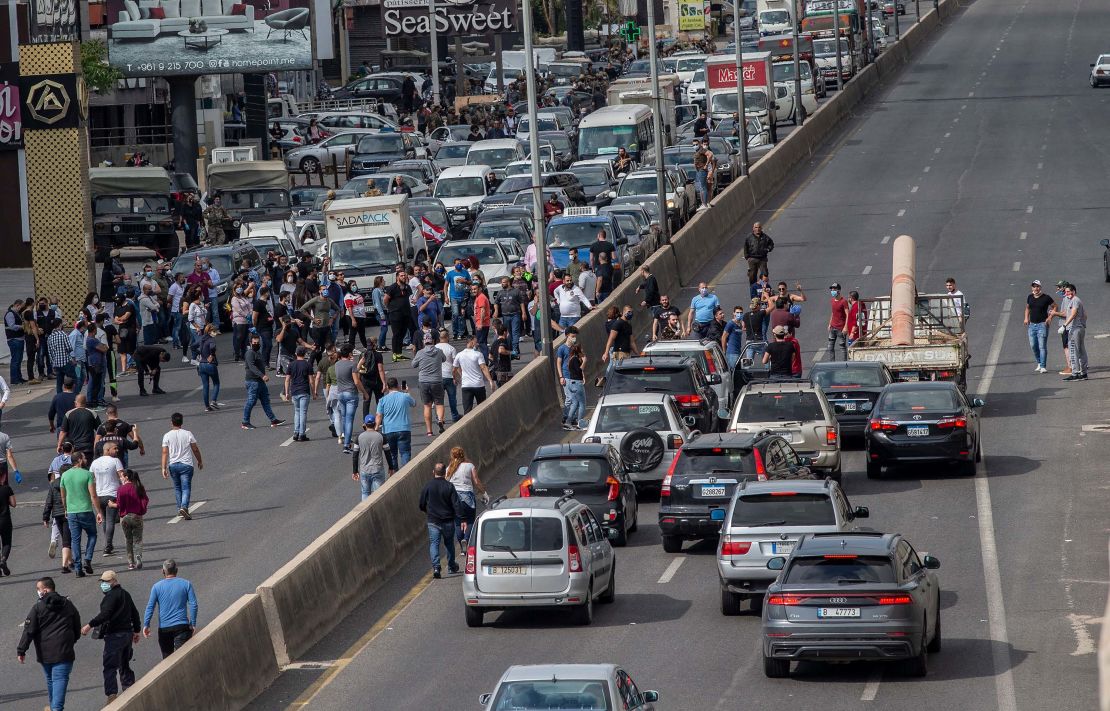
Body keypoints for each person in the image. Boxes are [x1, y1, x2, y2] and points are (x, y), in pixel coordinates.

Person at [17, 576, 82, 711]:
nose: (38, 592)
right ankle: (55, 708)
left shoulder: (38, 608)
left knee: (52, 680)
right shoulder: (68, 604)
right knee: (59, 679)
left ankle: (55, 708)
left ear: (45, 590)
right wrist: (72, 641)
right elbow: (77, 625)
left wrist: (21, 650)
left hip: (45, 654)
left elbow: (29, 630)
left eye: (38, 589)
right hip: (64, 652)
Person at [82, 570, 141, 703]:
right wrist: (136, 631)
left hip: (115, 636)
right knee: (124, 664)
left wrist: (89, 625)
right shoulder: (125, 594)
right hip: (127, 635)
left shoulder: (111, 597)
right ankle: (130, 689)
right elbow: (135, 613)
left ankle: (112, 696)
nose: (103, 584)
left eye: (106, 582)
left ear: (114, 581)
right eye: (102, 581)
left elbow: (105, 615)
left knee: (109, 667)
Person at [142, 559, 198, 659]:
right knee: (183, 659)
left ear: (163, 571)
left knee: (167, 660)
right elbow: (193, 605)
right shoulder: (186, 584)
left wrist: (146, 624)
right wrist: (193, 623)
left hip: (164, 629)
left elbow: (150, 607)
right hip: (182, 627)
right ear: (177, 570)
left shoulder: (156, 587)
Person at [418, 462, 464, 578]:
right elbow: (456, 504)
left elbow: (421, 503)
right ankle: (451, 566)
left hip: (433, 521)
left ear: (433, 472)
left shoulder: (428, 486)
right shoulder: (449, 486)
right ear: (445, 473)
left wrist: (427, 511)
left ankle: (436, 567)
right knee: (449, 544)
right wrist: (461, 518)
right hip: (448, 521)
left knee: (434, 543)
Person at [60, 456, 104, 577]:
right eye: (84, 458)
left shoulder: (64, 475)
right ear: (79, 460)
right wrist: (99, 511)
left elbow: (63, 496)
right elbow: (93, 495)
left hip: (72, 512)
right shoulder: (87, 474)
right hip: (85, 511)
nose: (85, 459)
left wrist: (66, 509)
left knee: (75, 540)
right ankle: (88, 558)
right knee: (92, 535)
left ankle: (78, 568)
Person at [161, 412, 203, 521]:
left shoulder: (167, 435)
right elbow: (195, 449)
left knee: (177, 487)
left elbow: (165, 453)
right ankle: (184, 507)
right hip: (186, 465)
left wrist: (163, 468)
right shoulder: (188, 434)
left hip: (173, 465)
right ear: (182, 422)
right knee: (186, 487)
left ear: (171, 422)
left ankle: (180, 508)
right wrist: (200, 461)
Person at [242, 333, 286, 430]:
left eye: (258, 342)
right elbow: (252, 367)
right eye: (254, 342)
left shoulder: (257, 352)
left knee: (266, 401)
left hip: (259, 382)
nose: (256, 344)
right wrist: (262, 375)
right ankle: (245, 422)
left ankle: (273, 419)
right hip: (253, 381)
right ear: (250, 343)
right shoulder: (250, 353)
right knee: (251, 401)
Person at [446, 447, 487, 551]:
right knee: (469, 521)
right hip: (467, 496)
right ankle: (467, 539)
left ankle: (461, 546)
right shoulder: (469, 466)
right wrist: (484, 492)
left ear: (452, 456)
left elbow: (446, 483)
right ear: (463, 454)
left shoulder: (449, 468)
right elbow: (476, 481)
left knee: (457, 522)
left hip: (454, 498)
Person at [89, 442, 125, 558]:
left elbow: (91, 479)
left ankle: (107, 544)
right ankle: (108, 546)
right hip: (112, 494)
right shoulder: (115, 461)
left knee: (105, 520)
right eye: (115, 448)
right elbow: (122, 477)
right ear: (107, 449)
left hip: (99, 496)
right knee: (110, 520)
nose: (117, 450)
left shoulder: (94, 463)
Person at [376, 378, 416, 471]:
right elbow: (414, 403)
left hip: (388, 431)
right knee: (405, 453)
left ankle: (395, 473)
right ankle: (406, 473)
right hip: (404, 429)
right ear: (398, 386)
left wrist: (376, 428)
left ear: (387, 387)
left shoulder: (382, 400)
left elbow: (379, 415)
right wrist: (407, 392)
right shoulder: (405, 396)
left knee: (392, 455)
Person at [333, 345, 365, 453]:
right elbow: (356, 381)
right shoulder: (352, 364)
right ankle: (347, 445)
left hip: (340, 393)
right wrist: (364, 393)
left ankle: (345, 440)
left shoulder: (337, 364)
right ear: (350, 354)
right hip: (351, 393)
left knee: (344, 417)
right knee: (349, 419)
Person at [116, 469, 148, 570]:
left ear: (126, 477)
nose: (120, 478)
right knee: (137, 539)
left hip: (124, 518)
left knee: (128, 539)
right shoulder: (138, 487)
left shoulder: (121, 489)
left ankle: (130, 562)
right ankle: (138, 556)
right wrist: (141, 510)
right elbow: (145, 500)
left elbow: (119, 504)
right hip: (137, 516)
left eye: (121, 476)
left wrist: (112, 504)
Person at [453, 335, 493, 413]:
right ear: (471, 342)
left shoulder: (459, 355)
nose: (477, 344)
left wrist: (455, 378)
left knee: (467, 411)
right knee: (483, 409)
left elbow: (454, 368)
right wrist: (490, 381)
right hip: (478, 385)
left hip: (466, 386)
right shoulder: (478, 354)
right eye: (475, 342)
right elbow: (484, 368)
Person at [352, 417, 388, 500]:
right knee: (378, 494)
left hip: (364, 470)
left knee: (365, 492)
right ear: (375, 424)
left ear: (364, 425)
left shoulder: (358, 438)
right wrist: (391, 467)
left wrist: (355, 471)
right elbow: (387, 453)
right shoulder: (381, 436)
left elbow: (355, 455)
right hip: (378, 469)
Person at [285, 346, 314, 442]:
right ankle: (302, 434)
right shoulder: (307, 364)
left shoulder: (291, 364)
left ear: (296, 354)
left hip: (294, 391)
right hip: (304, 391)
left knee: (297, 412)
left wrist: (286, 392)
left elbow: (287, 380)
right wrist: (314, 392)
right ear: (305, 354)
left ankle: (296, 432)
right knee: (303, 412)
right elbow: (311, 380)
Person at [1024, 280, 1054, 373]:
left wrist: (1050, 317)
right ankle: (1039, 362)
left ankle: (1043, 366)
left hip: (1042, 325)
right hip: (1032, 325)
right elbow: (1027, 308)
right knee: (1033, 345)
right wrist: (1026, 318)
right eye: (1034, 286)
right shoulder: (1030, 297)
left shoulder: (1046, 297)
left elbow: (1055, 306)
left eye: (1037, 286)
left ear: (1040, 287)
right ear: (1032, 288)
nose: (1036, 288)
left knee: (1042, 346)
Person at [1061, 283, 1087, 381]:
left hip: (1075, 329)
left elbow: (1073, 314)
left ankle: (1075, 373)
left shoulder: (1075, 300)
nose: (1067, 293)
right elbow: (1085, 314)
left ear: (1074, 291)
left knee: (1073, 350)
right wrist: (1083, 324)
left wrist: (1064, 325)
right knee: (1081, 350)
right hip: (1079, 328)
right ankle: (1084, 373)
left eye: (1069, 291)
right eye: (1066, 292)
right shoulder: (1076, 300)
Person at [1047, 281, 1073, 375]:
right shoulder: (1068, 298)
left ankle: (1070, 367)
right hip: (1068, 325)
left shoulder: (1067, 298)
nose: (1058, 289)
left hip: (1066, 325)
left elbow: (1066, 313)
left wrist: (1054, 313)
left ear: (1064, 287)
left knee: (1066, 346)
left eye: (1059, 287)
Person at [196, 323, 222, 412]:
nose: (216, 334)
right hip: (210, 365)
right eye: (214, 332)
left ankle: (207, 406)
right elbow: (212, 346)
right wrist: (212, 354)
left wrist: (198, 355)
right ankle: (213, 400)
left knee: (205, 386)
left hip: (201, 365)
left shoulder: (202, 339)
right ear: (211, 331)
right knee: (216, 383)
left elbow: (193, 347)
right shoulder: (211, 340)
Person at [826, 283, 851, 361]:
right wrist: (830, 323)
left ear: (839, 291)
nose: (832, 291)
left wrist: (846, 327)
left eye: (834, 289)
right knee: (830, 347)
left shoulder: (844, 301)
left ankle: (844, 363)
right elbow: (833, 313)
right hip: (833, 327)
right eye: (832, 289)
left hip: (841, 328)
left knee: (842, 347)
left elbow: (848, 314)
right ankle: (832, 363)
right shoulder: (832, 300)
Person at [0, 471, 13, 575]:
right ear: (2, 477)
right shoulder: (6, 489)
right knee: (6, 542)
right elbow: (14, 503)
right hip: (5, 520)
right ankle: (3, 559)